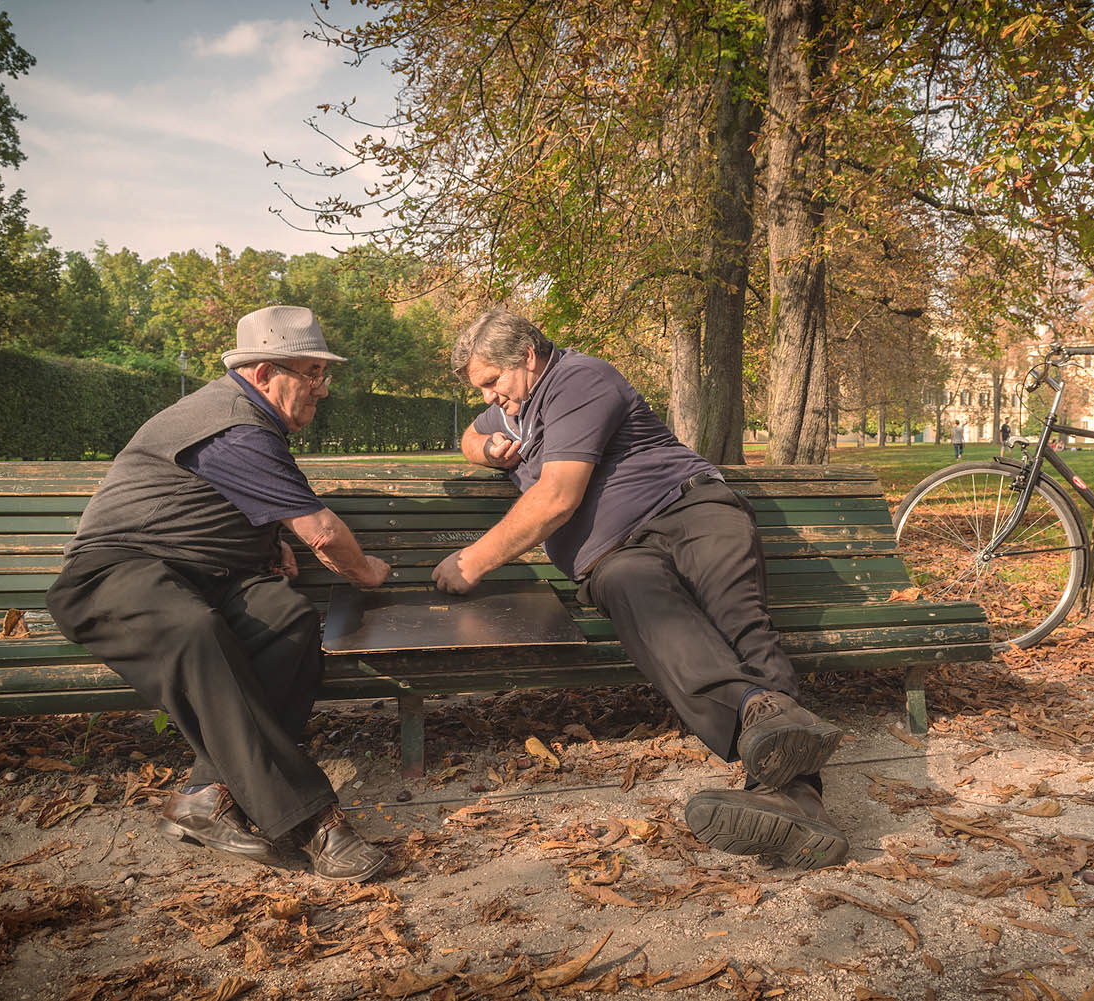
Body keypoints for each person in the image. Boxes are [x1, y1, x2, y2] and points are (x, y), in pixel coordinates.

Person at [433, 309, 847, 869]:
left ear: (527, 357)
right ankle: (788, 775)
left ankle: (787, 785)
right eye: (480, 389)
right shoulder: (515, 408)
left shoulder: (577, 378)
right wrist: (483, 449)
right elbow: (471, 434)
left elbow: (558, 496)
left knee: (742, 629)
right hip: (617, 557)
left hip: (688, 510)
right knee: (650, 615)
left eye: (492, 383)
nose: (490, 399)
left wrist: (472, 561)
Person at [46, 306, 392, 884]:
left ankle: (205, 797)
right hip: (114, 574)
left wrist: (265, 544)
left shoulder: (249, 420)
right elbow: (324, 534)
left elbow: (218, 505)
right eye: (310, 373)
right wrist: (368, 574)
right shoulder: (233, 425)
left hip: (205, 576)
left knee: (287, 617)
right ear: (262, 374)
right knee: (194, 630)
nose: (322, 389)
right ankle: (311, 823)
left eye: (322, 375)